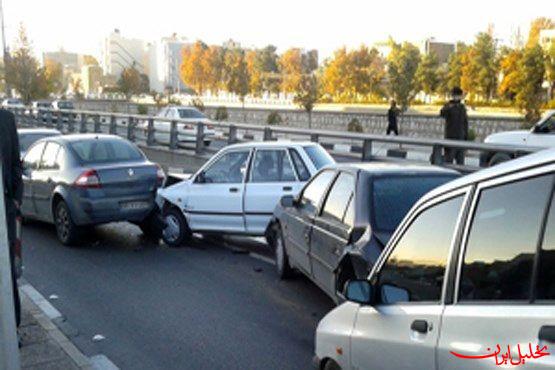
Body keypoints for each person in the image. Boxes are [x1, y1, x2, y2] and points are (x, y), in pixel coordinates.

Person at [0, 108, 23, 328]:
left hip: (4, 208)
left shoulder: (6, 119)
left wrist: (16, 198)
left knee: (5, 270)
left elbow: (16, 162)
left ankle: (11, 328)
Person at [440, 87, 469, 165]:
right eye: (455, 95)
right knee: (449, 161)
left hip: (461, 138)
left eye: (459, 96)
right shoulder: (448, 105)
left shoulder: (462, 107)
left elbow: (465, 123)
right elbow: (442, 113)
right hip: (450, 138)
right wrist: (450, 106)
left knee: (461, 163)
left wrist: (466, 139)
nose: (457, 97)